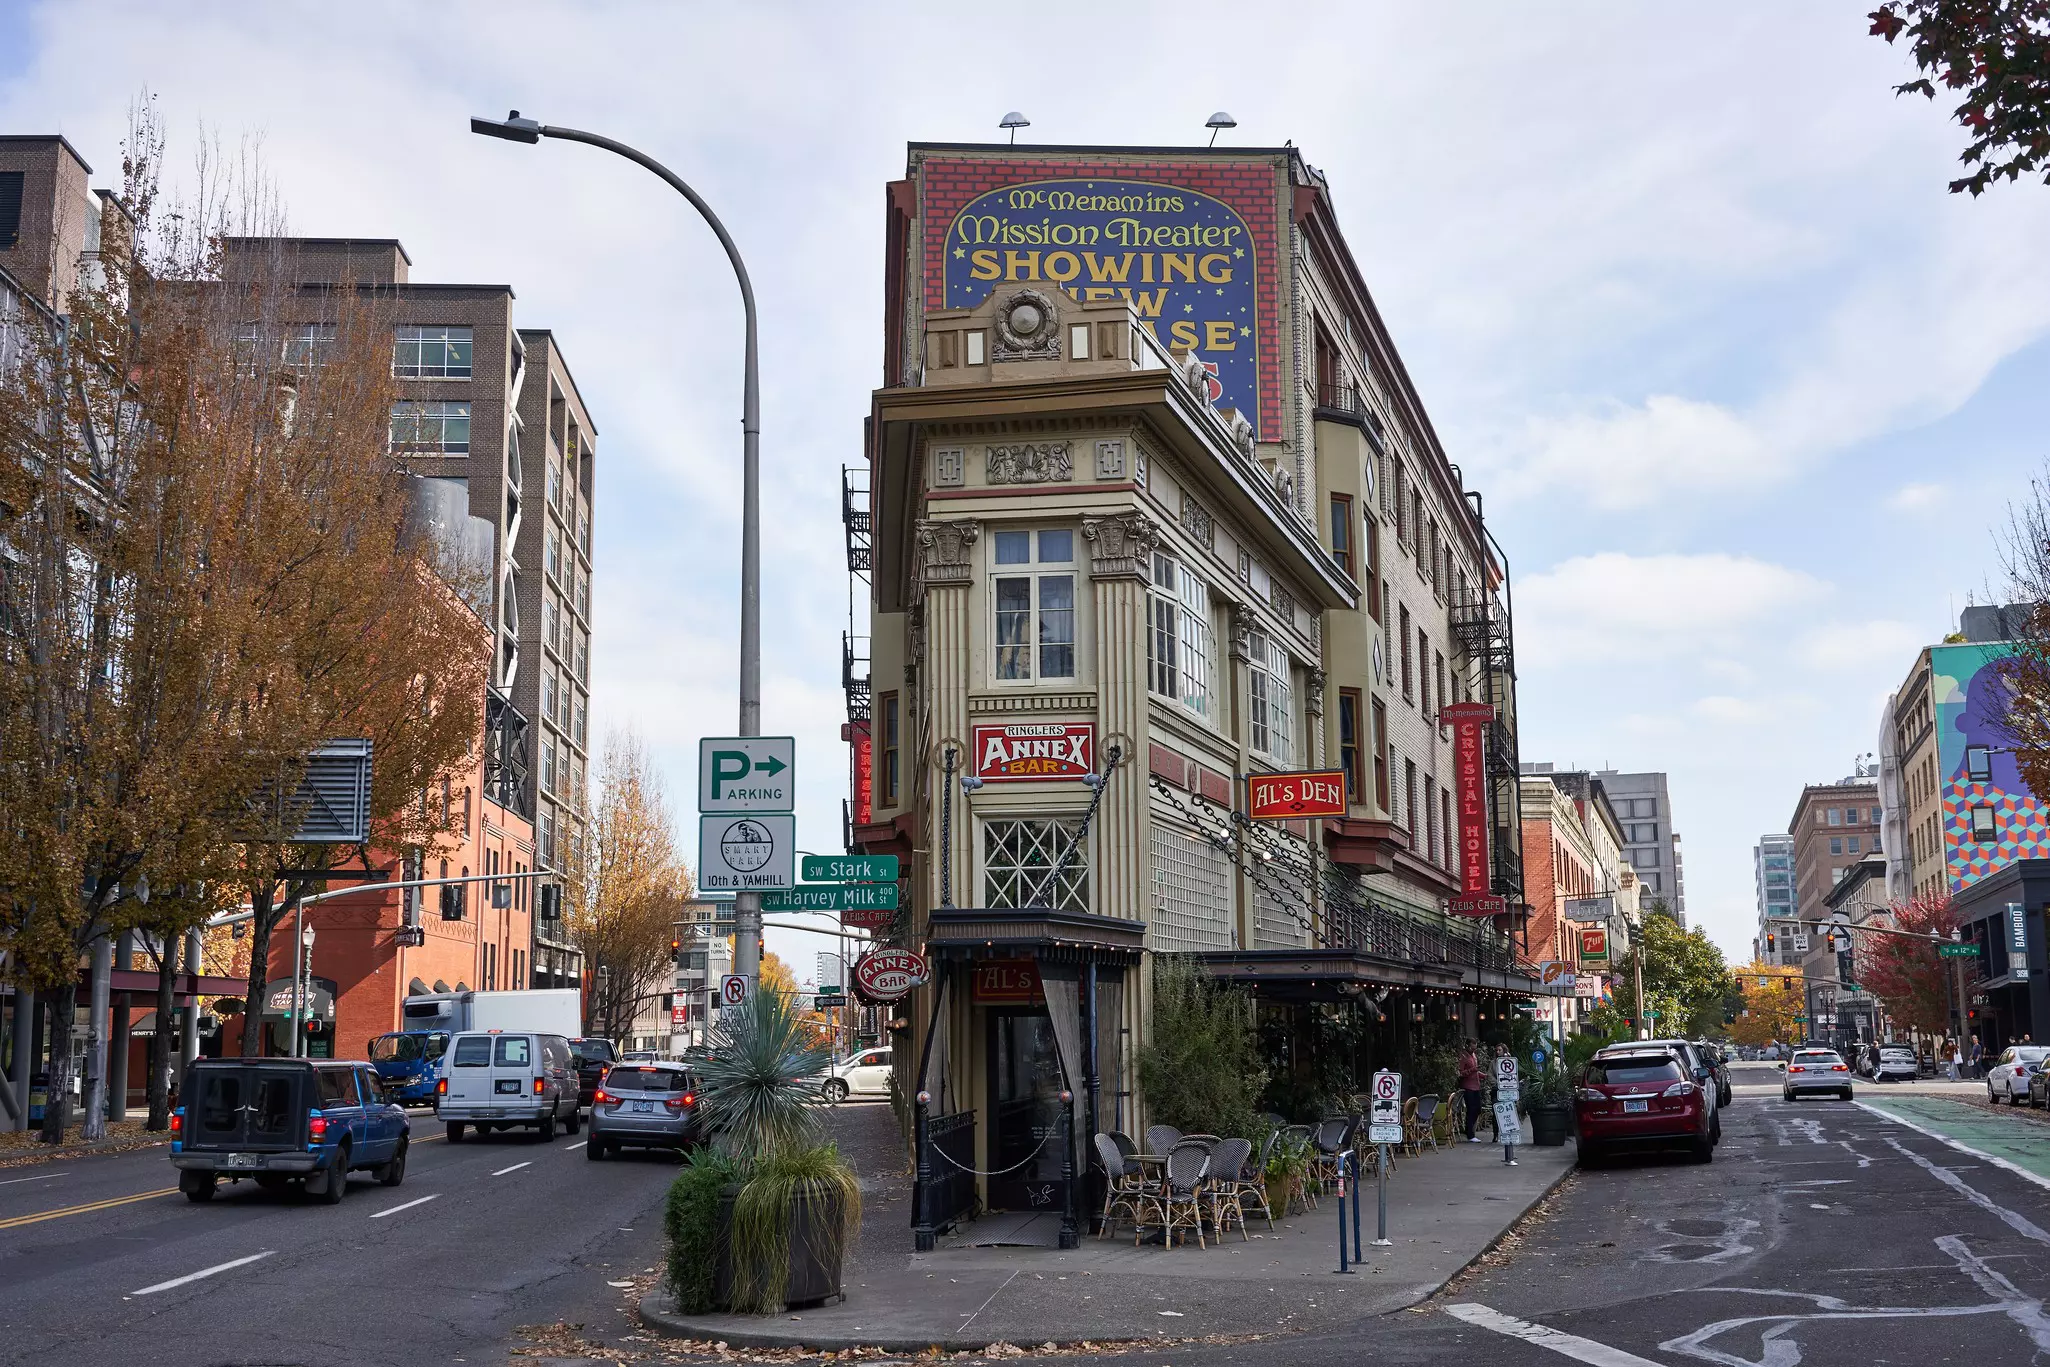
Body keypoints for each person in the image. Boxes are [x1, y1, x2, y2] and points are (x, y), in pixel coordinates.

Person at [1493, 1043, 1521, 1166]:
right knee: (1498, 1114)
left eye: (1499, 1050)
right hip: (1497, 1091)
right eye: (1496, 1050)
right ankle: (1497, 1135)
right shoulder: (1493, 1062)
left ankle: (1510, 1154)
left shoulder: (1510, 1061)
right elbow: (1489, 1075)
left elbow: (1514, 1075)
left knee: (1509, 1116)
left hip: (1509, 1092)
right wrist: (1497, 1083)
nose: (1497, 1052)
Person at [1457, 1042, 1485, 1142]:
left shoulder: (1473, 1055)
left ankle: (1469, 1129)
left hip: (1476, 1086)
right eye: (1472, 1048)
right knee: (1471, 1109)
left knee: (1478, 1109)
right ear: (1468, 1046)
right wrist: (1472, 1070)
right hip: (1468, 1087)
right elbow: (1460, 1073)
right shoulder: (1463, 1056)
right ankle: (1470, 1134)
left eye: (1475, 1048)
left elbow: (1476, 1071)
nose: (1474, 1050)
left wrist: (1484, 1076)